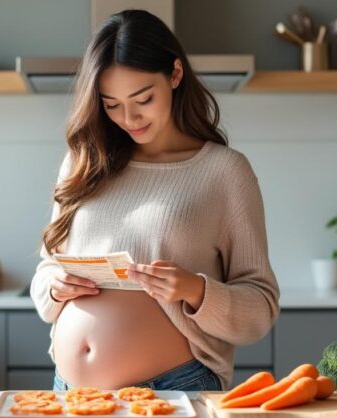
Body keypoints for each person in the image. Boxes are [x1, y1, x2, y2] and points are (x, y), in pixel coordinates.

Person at [30, 9, 279, 392]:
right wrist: (55, 287)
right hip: (70, 391)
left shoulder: (224, 172)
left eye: (142, 98)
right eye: (111, 104)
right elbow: (47, 268)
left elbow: (261, 307)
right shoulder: (83, 163)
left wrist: (196, 290)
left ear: (175, 75)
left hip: (175, 386)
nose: (128, 117)